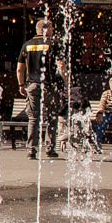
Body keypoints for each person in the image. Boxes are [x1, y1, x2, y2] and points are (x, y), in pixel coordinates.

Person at [18, 20, 64, 159]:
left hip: (32, 85)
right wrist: (67, 83)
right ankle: (50, 148)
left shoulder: (27, 45)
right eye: (52, 28)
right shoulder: (52, 44)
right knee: (52, 117)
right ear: (47, 30)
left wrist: (21, 85)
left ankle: (31, 150)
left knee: (33, 118)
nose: (53, 31)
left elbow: (20, 69)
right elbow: (61, 66)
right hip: (49, 86)